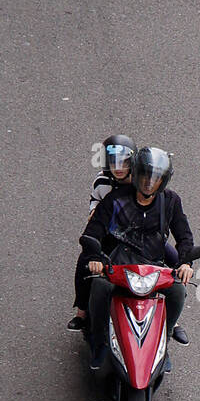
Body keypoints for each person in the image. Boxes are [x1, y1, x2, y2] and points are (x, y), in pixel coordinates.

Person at [84, 146, 194, 370]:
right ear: (136, 174)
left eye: (155, 179)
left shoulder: (170, 202)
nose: (148, 183)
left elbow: (184, 236)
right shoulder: (115, 200)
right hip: (118, 264)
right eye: (145, 175)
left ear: (163, 181)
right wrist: (96, 256)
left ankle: (164, 340)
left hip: (153, 266)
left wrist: (185, 262)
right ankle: (99, 342)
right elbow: (93, 230)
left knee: (178, 291)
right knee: (99, 287)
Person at [67, 134, 180, 330]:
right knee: (85, 262)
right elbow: (95, 203)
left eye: (124, 162)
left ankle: (172, 320)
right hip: (112, 232)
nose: (118, 168)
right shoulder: (102, 183)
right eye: (113, 163)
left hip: (141, 233)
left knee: (175, 264)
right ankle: (82, 311)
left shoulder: (142, 179)